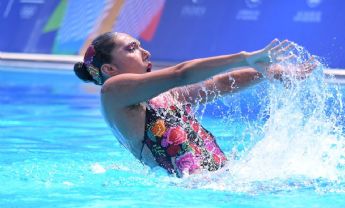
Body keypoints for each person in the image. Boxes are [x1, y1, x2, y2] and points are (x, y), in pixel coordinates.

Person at [74, 32, 315, 177]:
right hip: (195, 191)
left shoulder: (164, 95)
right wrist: (244, 57)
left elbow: (219, 84)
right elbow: (180, 73)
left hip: (221, 181)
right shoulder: (113, 92)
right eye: (132, 48)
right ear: (109, 69)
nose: (145, 52)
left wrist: (267, 72)